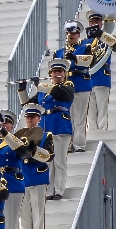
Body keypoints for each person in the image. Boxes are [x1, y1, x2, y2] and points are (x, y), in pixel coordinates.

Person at [17, 59, 74, 200]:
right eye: (54, 72)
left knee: (60, 160)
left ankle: (59, 190)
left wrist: (39, 85)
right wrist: (22, 89)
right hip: (46, 128)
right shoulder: (44, 91)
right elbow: (27, 104)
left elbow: (63, 95)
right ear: (50, 73)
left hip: (61, 126)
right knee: (48, 160)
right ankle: (49, 191)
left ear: (64, 73)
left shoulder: (68, 85)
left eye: (60, 72)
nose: (57, 74)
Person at [53, 20, 92, 152]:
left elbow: (89, 61)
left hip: (80, 83)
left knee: (79, 117)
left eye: (74, 33)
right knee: (67, 116)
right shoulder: (58, 52)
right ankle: (68, 144)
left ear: (79, 34)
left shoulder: (85, 47)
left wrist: (74, 57)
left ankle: (79, 144)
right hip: (65, 87)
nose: (71, 35)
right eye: (69, 33)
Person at [82, 11, 116, 131]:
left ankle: (102, 131)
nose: (94, 24)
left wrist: (102, 35)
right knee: (90, 110)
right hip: (87, 79)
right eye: (92, 22)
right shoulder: (85, 42)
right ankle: (93, 131)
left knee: (102, 108)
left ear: (101, 23)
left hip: (101, 77)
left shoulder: (107, 38)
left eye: (97, 22)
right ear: (89, 24)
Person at [19, 104, 54, 229]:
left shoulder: (46, 135)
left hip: (38, 175)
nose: (29, 120)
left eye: (32, 117)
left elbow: (49, 156)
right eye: (27, 117)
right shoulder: (19, 136)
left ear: (39, 118)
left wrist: (34, 151)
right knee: (25, 214)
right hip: (23, 176)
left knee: (38, 211)